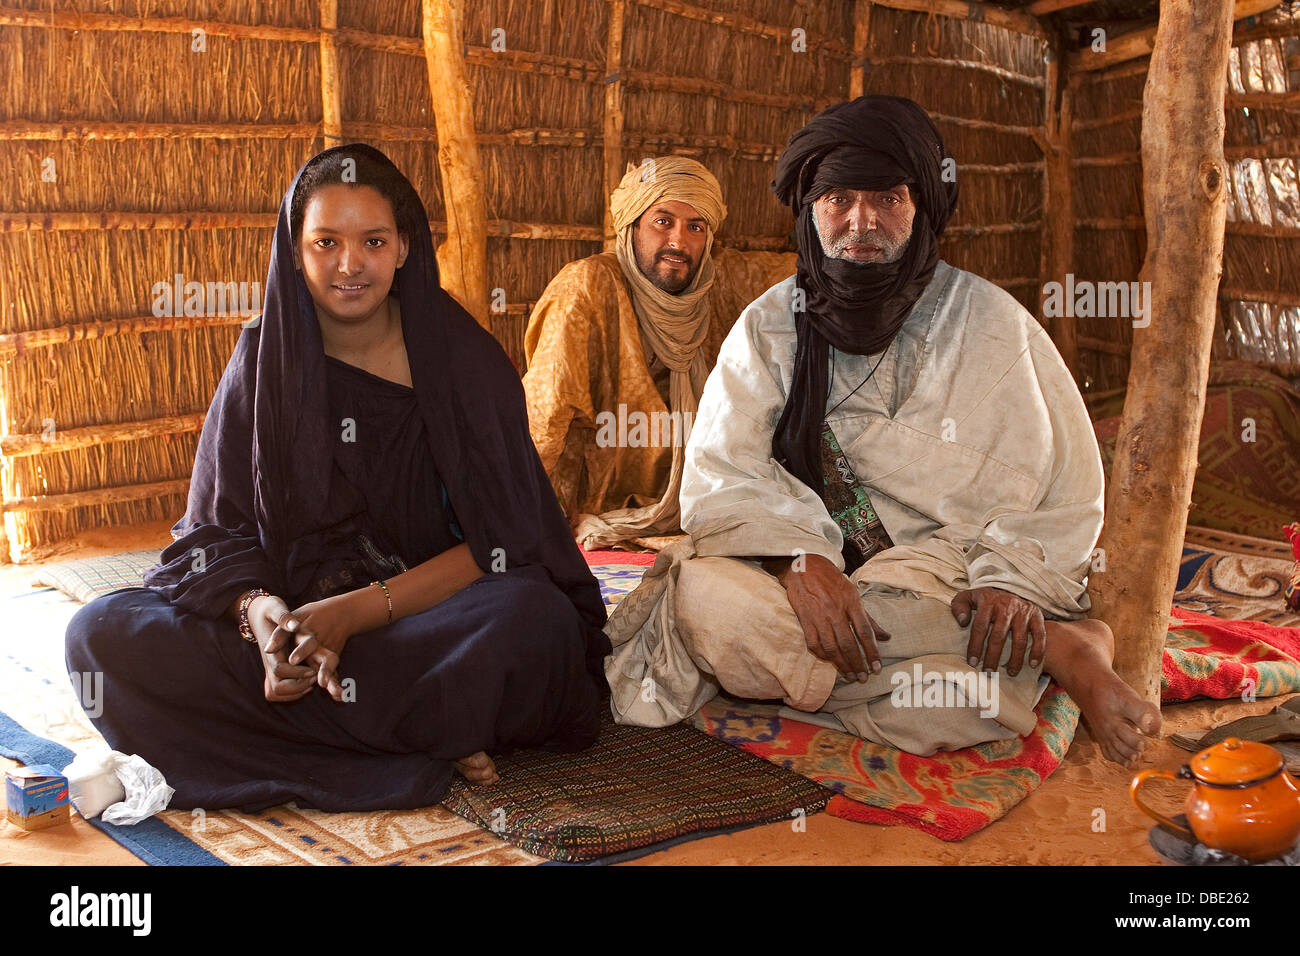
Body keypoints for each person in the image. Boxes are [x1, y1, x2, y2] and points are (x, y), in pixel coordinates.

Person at [604, 97, 1162, 767]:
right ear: (810, 210)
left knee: (797, 652)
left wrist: (1012, 579)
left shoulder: (992, 322)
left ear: (921, 207)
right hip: (812, 578)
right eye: (838, 198)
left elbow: (1065, 483)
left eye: (887, 199)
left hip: (947, 577)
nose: (861, 221)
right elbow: (724, 474)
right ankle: (1052, 649)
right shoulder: (771, 325)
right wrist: (796, 560)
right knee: (707, 599)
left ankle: (979, 654)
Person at [64, 144, 610, 812]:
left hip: (428, 622)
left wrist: (352, 613)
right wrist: (266, 623)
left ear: (405, 248)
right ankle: (416, 736)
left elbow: (505, 542)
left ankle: (319, 740)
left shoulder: (461, 359)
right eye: (326, 242)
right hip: (298, 630)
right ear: (295, 251)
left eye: (372, 240)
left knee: (535, 623)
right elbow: (211, 532)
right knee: (100, 634)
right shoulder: (264, 357)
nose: (349, 264)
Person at [521, 156, 794, 551]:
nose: (678, 242)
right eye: (662, 221)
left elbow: (809, 278)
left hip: (699, 510)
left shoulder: (719, 288)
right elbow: (541, 423)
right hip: (597, 512)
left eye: (695, 227)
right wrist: (515, 527)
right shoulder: (587, 287)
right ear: (631, 227)